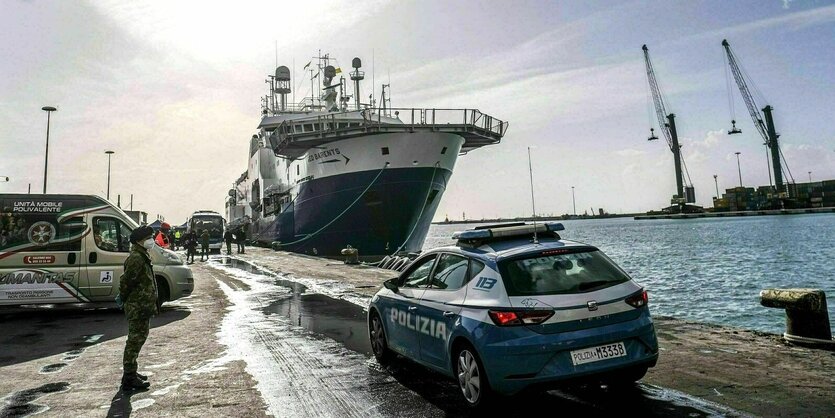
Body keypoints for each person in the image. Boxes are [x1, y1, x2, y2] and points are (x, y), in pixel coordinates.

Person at [119, 225, 158, 391]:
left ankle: (131, 372)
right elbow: (126, 281)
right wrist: (123, 297)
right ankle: (129, 377)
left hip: (142, 305)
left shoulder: (142, 255)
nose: (152, 240)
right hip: (138, 306)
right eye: (149, 237)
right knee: (135, 340)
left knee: (138, 338)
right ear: (140, 240)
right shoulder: (136, 258)